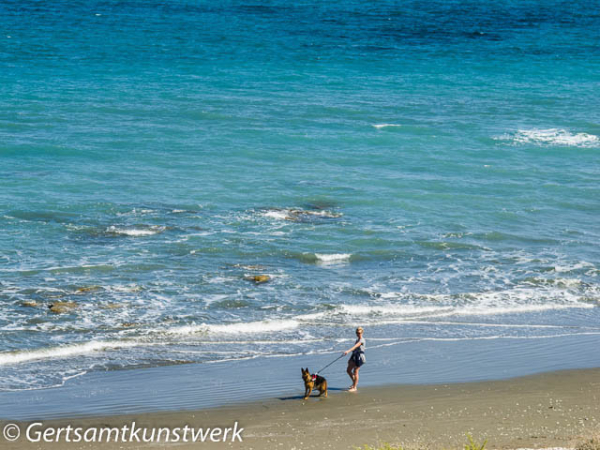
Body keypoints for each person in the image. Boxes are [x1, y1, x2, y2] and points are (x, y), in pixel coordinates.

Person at [343, 326, 365, 392]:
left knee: (355, 372)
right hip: (354, 356)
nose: (359, 334)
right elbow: (355, 350)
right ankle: (354, 383)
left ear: (362, 333)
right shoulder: (357, 340)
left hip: (360, 357)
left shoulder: (362, 340)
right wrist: (350, 358)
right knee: (348, 370)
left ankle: (355, 387)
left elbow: (355, 346)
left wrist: (347, 351)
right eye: (357, 333)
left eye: (360, 333)